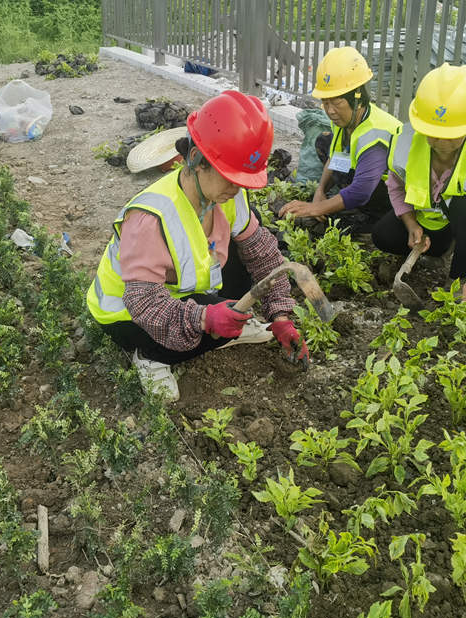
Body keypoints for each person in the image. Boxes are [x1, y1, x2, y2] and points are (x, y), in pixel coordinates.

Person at [86, 90, 309, 401]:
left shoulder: (228, 195)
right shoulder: (150, 217)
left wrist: (280, 315)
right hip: (127, 313)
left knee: (248, 246)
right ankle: (151, 357)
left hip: (174, 293)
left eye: (243, 179)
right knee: (210, 332)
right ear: (195, 160)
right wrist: (203, 318)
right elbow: (145, 303)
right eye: (230, 177)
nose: (237, 188)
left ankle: (215, 320)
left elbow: (263, 256)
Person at [372, 63, 466, 310]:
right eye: (433, 132)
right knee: (385, 235)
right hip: (441, 206)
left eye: (451, 133)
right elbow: (396, 188)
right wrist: (412, 224)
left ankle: (461, 277)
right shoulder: (405, 141)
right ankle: (446, 244)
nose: (442, 141)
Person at [278, 46, 399, 230]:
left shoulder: (375, 134)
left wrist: (314, 208)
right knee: (323, 141)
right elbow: (336, 156)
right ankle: (344, 201)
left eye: (337, 102)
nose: (330, 110)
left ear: (357, 97)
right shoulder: (345, 119)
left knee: (361, 197)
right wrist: (320, 191)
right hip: (365, 177)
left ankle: (371, 218)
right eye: (325, 102)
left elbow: (361, 191)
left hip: (390, 195)